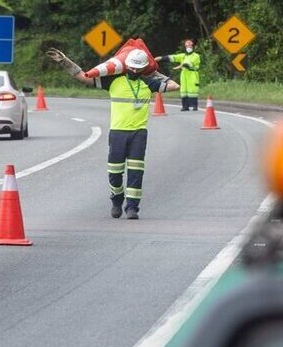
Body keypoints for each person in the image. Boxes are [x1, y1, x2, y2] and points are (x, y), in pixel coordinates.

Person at [47, 47, 179, 220]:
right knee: (115, 172)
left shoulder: (149, 83)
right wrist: (65, 62)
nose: (134, 71)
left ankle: (132, 208)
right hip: (118, 133)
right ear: (127, 66)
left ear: (142, 69)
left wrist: (153, 72)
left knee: (136, 171)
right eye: (131, 67)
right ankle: (117, 200)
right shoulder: (114, 81)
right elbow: (84, 77)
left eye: (138, 68)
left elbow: (175, 86)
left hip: (138, 134)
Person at [155, 40, 201, 111]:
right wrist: (161, 58)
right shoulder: (183, 56)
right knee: (183, 90)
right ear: (185, 47)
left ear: (193, 46)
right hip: (184, 75)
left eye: (190, 46)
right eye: (187, 46)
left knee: (193, 90)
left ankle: (194, 105)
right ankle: (185, 106)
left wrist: (181, 65)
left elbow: (189, 63)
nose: (188, 47)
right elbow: (173, 57)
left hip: (192, 74)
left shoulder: (196, 56)